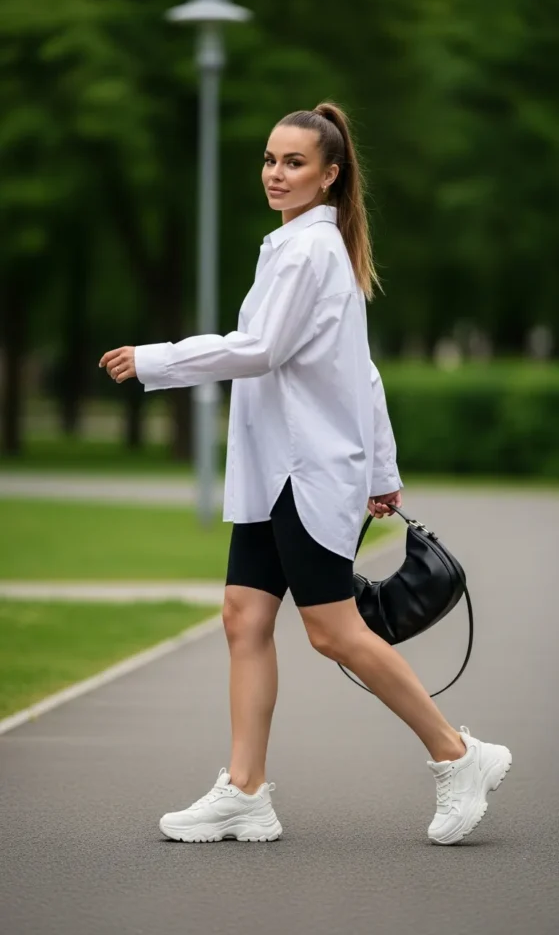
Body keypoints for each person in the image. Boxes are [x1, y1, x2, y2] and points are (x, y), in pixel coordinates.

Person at [99, 101, 511, 846]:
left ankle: (458, 754)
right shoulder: (299, 248)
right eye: (269, 160)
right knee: (243, 615)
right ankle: (245, 793)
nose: (275, 173)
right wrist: (382, 467)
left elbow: (260, 348)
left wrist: (157, 359)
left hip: (305, 472)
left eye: (293, 162)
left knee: (333, 631)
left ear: (329, 175)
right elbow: (362, 372)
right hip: (274, 471)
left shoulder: (311, 252)